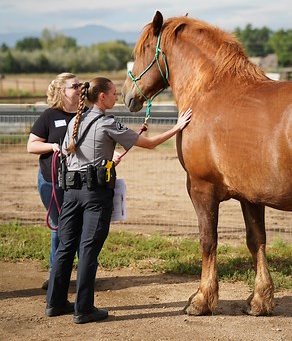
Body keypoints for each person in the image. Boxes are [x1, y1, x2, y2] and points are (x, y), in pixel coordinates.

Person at [45, 77, 192, 324]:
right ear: (101, 97)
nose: (116, 97)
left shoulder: (74, 122)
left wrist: (106, 160)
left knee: (65, 247)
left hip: (71, 192)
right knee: (89, 249)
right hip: (94, 195)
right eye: (113, 93)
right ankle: (84, 309)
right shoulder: (107, 123)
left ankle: (55, 302)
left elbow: (78, 154)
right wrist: (177, 128)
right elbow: (149, 143)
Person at [27, 72, 82, 290]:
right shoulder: (50, 116)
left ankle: (84, 271)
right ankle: (56, 275)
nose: (80, 88)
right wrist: (51, 146)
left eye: (81, 85)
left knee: (80, 227)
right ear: (62, 92)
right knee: (60, 227)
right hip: (52, 181)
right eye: (74, 86)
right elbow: (31, 145)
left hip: (78, 181)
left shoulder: (85, 114)